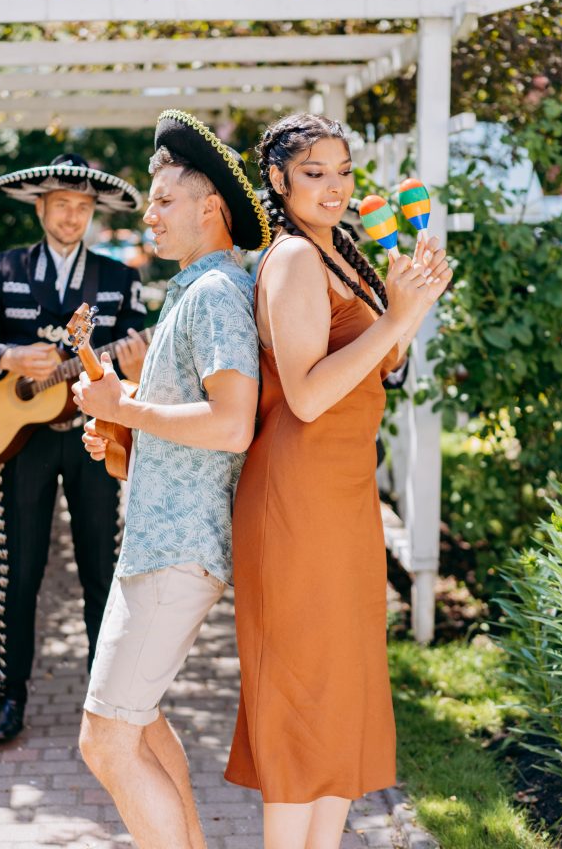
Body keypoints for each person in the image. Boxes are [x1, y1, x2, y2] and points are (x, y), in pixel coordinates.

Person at [224, 114, 453, 849]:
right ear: (279, 182)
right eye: (313, 172)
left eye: (343, 170)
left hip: (343, 497)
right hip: (296, 501)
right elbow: (308, 394)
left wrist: (405, 303)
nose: (333, 185)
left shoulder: (340, 256)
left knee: (338, 698)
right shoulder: (291, 259)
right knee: (301, 700)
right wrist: (399, 319)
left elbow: (379, 365)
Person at [72, 110, 270, 849]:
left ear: (209, 207)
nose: (146, 214)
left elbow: (230, 424)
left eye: (162, 200)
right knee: (140, 723)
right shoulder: (192, 291)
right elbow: (187, 434)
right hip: (159, 547)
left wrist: (124, 404)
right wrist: (123, 444)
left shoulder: (215, 295)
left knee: (105, 742)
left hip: (175, 555)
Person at [0, 153, 147, 743]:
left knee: (102, 570)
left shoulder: (119, 280)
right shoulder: (7, 269)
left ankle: (104, 703)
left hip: (93, 439)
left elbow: (137, 368)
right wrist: (4, 357)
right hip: (22, 442)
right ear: (41, 207)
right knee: (19, 570)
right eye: (62, 205)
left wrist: (133, 364)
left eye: (83, 207)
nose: (72, 217)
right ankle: (10, 696)